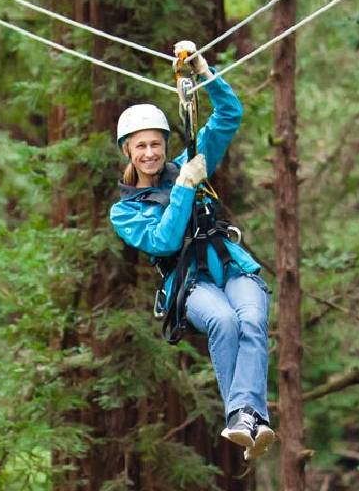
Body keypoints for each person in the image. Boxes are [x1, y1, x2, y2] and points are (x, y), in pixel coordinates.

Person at [109, 39, 276, 462]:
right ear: (128, 151)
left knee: (253, 318)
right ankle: (242, 411)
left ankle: (248, 415)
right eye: (140, 146)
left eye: (155, 144)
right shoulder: (125, 211)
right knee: (223, 320)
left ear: (165, 145)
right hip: (189, 283)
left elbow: (228, 116)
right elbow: (164, 240)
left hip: (229, 265)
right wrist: (184, 185)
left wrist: (203, 71)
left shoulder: (190, 159)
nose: (149, 153)